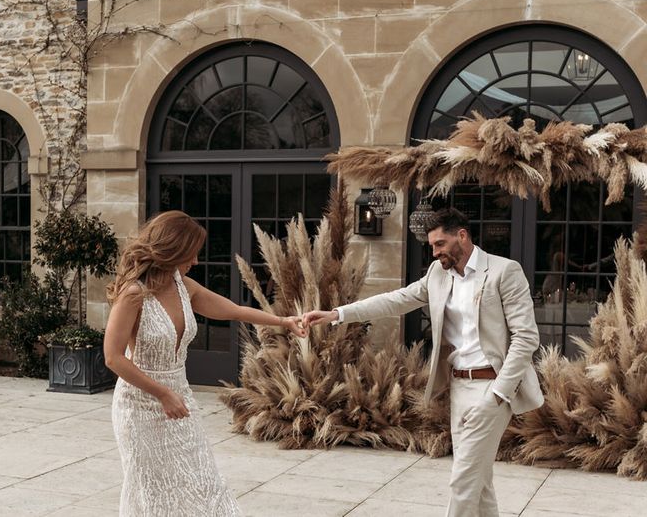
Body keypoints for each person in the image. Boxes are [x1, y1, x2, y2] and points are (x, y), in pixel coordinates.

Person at [303, 207, 543, 517]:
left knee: (462, 481)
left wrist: (499, 393)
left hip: (491, 388)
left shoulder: (503, 271)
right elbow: (395, 300)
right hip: (459, 387)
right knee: (478, 481)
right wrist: (339, 314)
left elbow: (526, 338)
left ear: (462, 236)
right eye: (431, 246)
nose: (435, 252)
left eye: (440, 244)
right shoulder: (437, 274)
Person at [104, 209, 306, 517]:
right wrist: (161, 393)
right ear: (171, 250)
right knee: (152, 488)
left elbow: (233, 310)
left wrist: (283, 320)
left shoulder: (184, 286)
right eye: (191, 253)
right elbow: (113, 357)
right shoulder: (134, 294)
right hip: (139, 408)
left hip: (179, 399)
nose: (196, 261)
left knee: (203, 481)